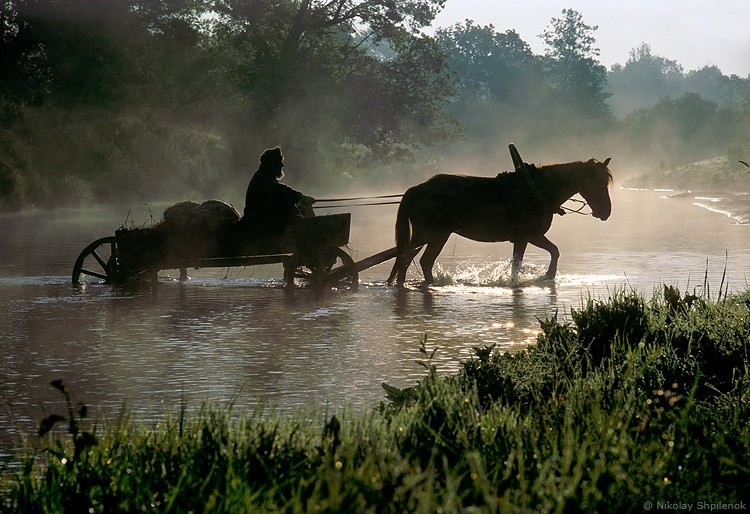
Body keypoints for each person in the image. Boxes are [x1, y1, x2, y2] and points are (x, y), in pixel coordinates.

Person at [241, 146, 315, 235]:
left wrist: (300, 199)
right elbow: (280, 190)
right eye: (279, 162)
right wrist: (301, 198)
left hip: (260, 218)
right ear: (272, 164)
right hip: (258, 221)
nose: (282, 165)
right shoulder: (262, 179)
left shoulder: (262, 176)